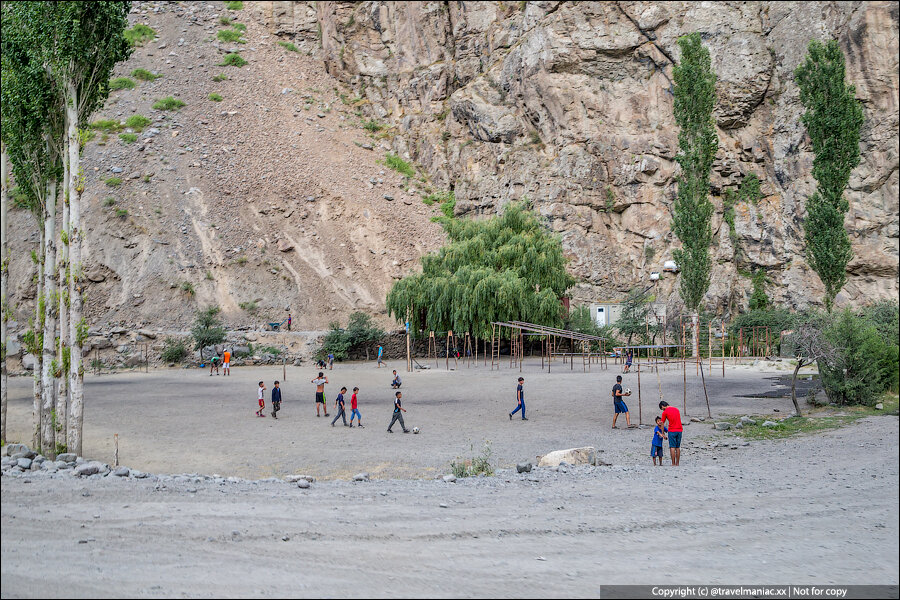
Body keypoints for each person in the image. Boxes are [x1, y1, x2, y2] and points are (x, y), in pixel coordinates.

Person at [659, 401, 683, 466]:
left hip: (672, 430)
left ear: (662, 406)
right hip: (679, 430)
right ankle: (677, 463)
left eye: (662, 408)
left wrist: (663, 433)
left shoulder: (665, 412)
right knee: (677, 447)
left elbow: (662, 423)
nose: (662, 410)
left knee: (672, 447)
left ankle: (673, 463)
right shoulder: (676, 409)